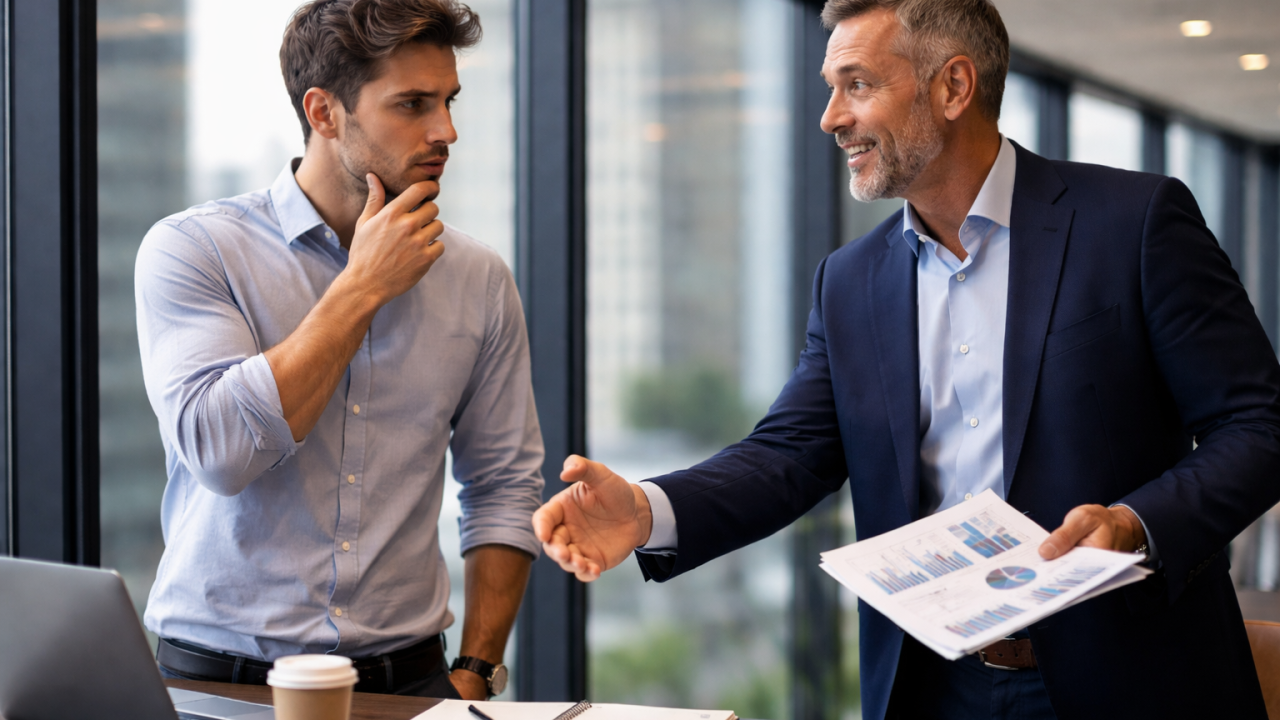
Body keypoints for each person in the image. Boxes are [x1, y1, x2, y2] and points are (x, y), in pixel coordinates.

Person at [532, 0, 1280, 718]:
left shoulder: (1135, 222)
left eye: (857, 85)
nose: (831, 118)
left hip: (1132, 678)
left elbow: (1260, 425)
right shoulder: (851, 280)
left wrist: (1136, 522)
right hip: (932, 689)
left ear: (953, 86)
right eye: (831, 90)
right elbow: (789, 455)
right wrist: (646, 509)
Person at [135, 0, 541, 701]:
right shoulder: (196, 250)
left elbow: (504, 485)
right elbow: (222, 453)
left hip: (411, 685)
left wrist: (475, 671)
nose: (445, 130)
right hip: (215, 687)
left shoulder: (478, 278)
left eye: (447, 101)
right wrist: (361, 289)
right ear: (324, 113)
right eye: (412, 104)